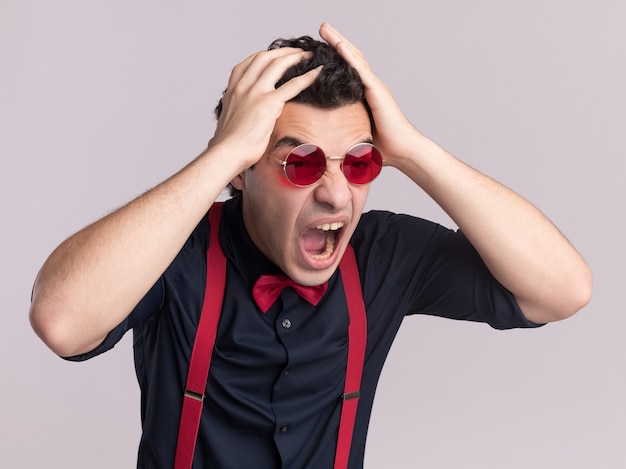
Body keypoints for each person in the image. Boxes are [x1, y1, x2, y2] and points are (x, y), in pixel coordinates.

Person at [29, 22, 592, 468]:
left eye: (360, 161)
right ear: (245, 169)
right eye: (299, 163)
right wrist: (222, 156)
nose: (335, 193)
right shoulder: (177, 251)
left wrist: (414, 149)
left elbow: (562, 290)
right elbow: (62, 321)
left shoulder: (382, 254)